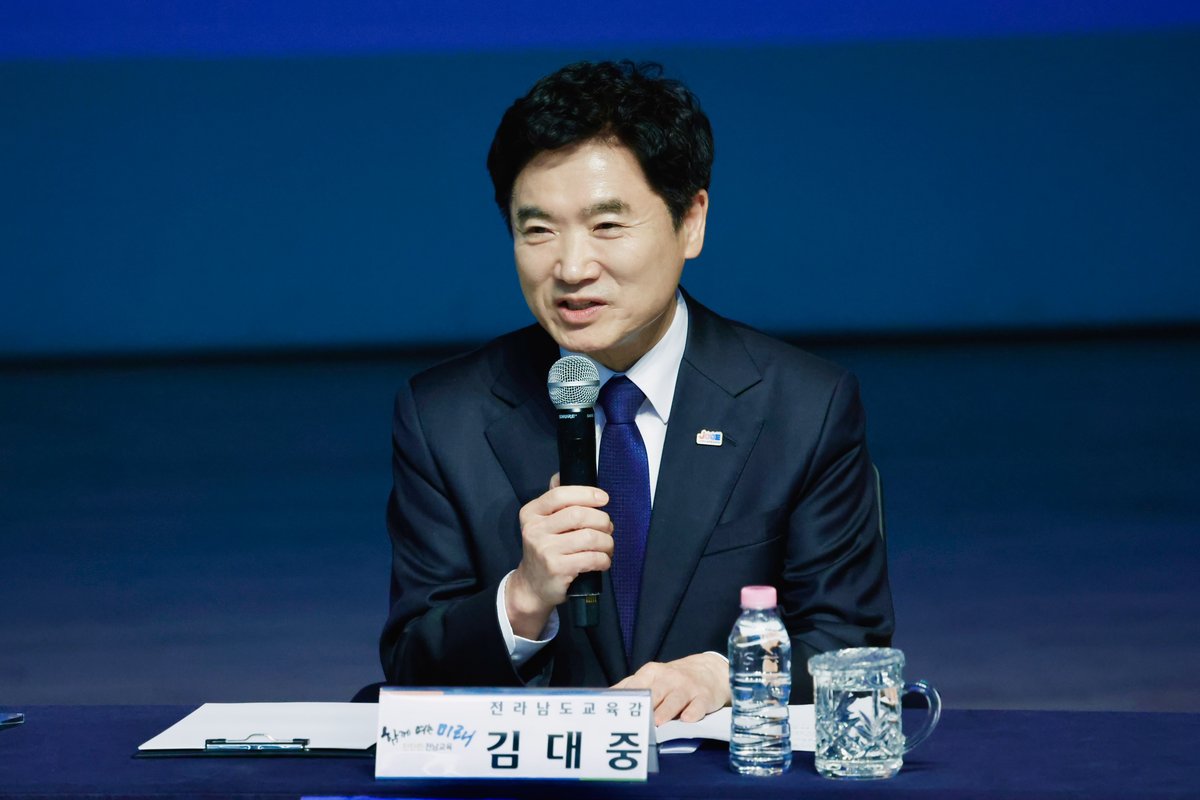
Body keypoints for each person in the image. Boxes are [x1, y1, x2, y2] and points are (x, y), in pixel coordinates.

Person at [380, 60, 893, 724]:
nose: (571, 267)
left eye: (607, 226)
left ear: (692, 221)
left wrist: (726, 673)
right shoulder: (444, 416)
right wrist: (522, 601)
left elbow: (852, 644)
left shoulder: (802, 406)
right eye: (538, 230)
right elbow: (410, 667)